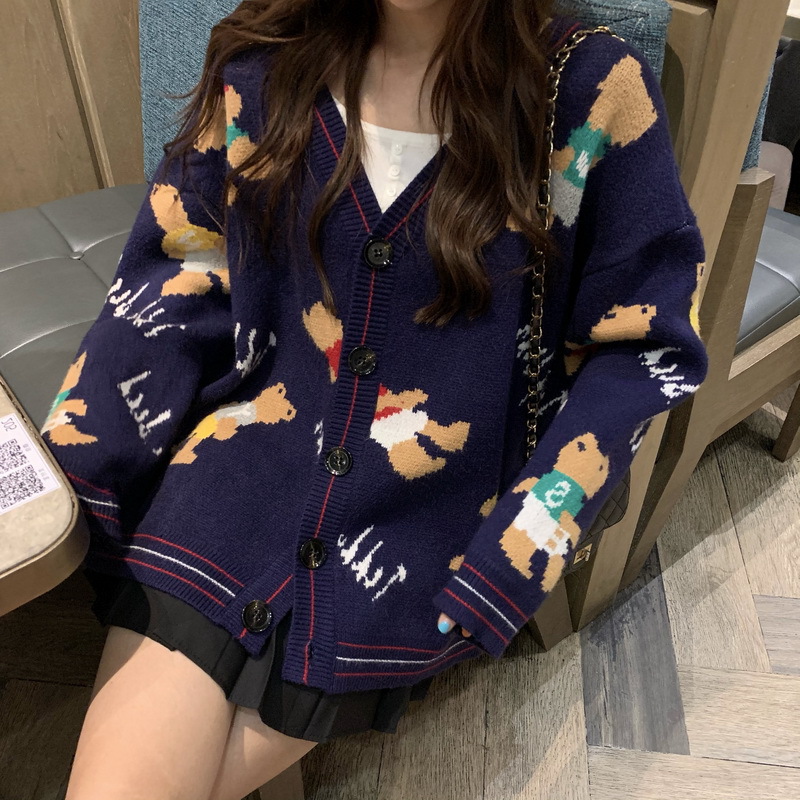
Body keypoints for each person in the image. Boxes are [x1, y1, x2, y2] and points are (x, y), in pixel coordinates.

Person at [42, 1, 709, 797]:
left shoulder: (591, 91)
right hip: (232, 477)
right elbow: (181, 267)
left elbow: (642, 348)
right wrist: (71, 469)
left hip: (416, 531)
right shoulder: (265, 57)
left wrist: (521, 547)